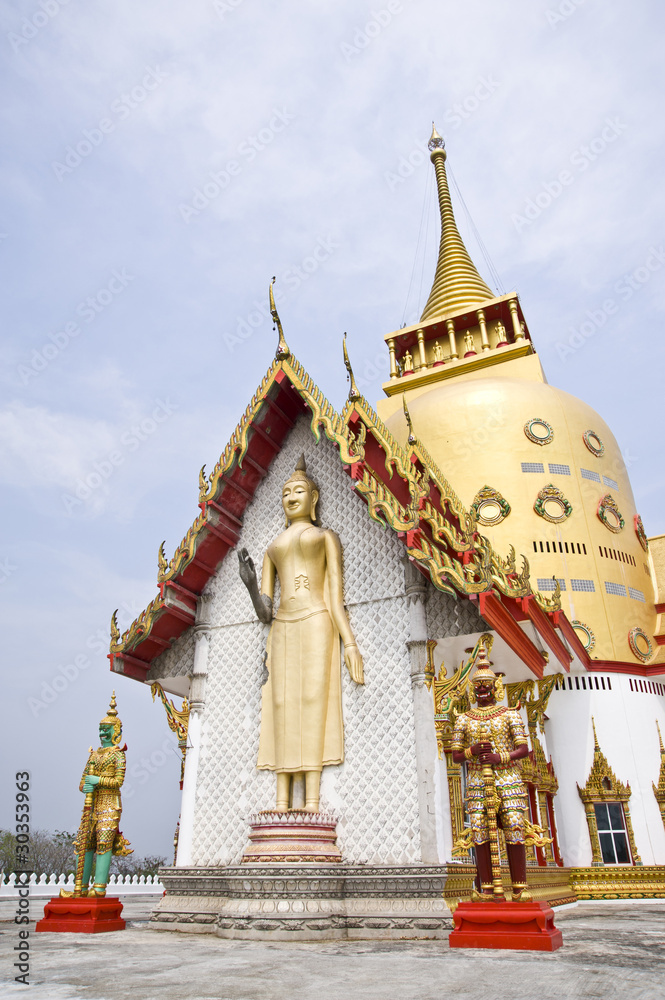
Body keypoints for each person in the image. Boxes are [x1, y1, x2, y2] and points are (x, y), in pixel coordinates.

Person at [239, 455, 363, 812]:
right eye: (285, 492)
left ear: (314, 498)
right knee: (281, 703)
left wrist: (350, 644)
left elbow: (335, 599)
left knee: (312, 700)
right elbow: (265, 611)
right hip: (283, 625)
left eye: (299, 491)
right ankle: (280, 799)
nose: (291, 496)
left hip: (316, 620)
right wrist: (250, 586)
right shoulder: (272, 549)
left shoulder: (325, 537)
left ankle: (310, 800)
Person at [451, 648, 531, 900]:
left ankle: (519, 887)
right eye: (478, 688)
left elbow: (523, 749)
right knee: (480, 831)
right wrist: (472, 750)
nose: (482, 691)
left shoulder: (509, 714)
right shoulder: (464, 719)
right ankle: (486, 887)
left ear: (495, 687)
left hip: (508, 779)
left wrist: (500, 757)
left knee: (514, 827)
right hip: (476, 779)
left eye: (486, 686)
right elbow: (456, 755)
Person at [69, 694, 132, 897]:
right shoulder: (94, 755)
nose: (102, 733)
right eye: (100, 730)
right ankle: (81, 888)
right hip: (92, 804)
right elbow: (83, 783)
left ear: (116, 732)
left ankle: (99, 888)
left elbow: (118, 782)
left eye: (107, 730)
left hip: (109, 804)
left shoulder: (118, 754)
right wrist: (86, 786)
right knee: (85, 843)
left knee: (103, 842)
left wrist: (98, 781)